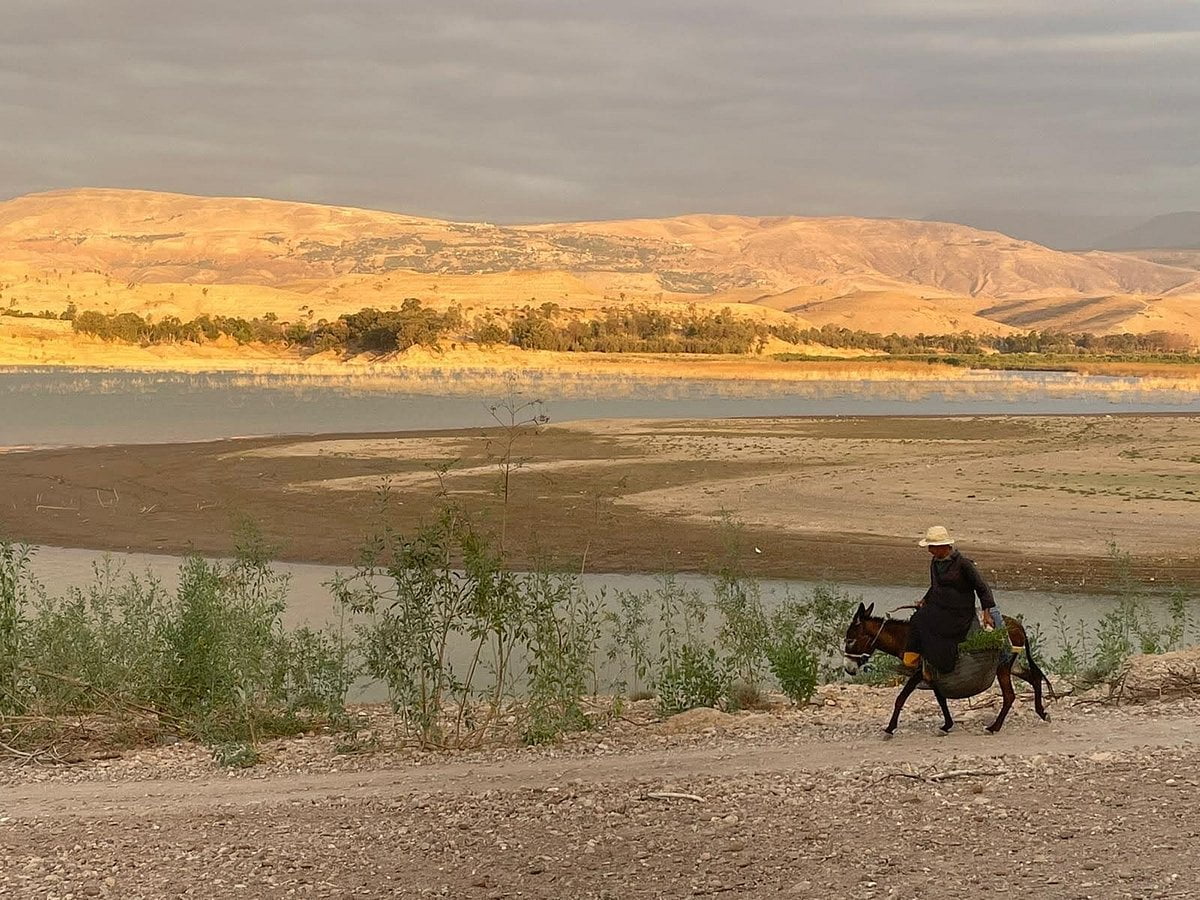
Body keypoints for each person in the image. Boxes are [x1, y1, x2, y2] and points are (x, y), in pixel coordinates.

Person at [902, 525, 1001, 674]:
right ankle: (914, 659)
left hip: (960, 613)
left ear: (943, 546)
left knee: (938, 628)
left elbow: (982, 587)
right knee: (918, 619)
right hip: (941, 607)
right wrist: (925, 600)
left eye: (932, 547)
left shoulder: (963, 564)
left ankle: (942, 665)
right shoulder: (935, 562)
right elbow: (935, 586)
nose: (930, 551)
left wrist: (987, 612)